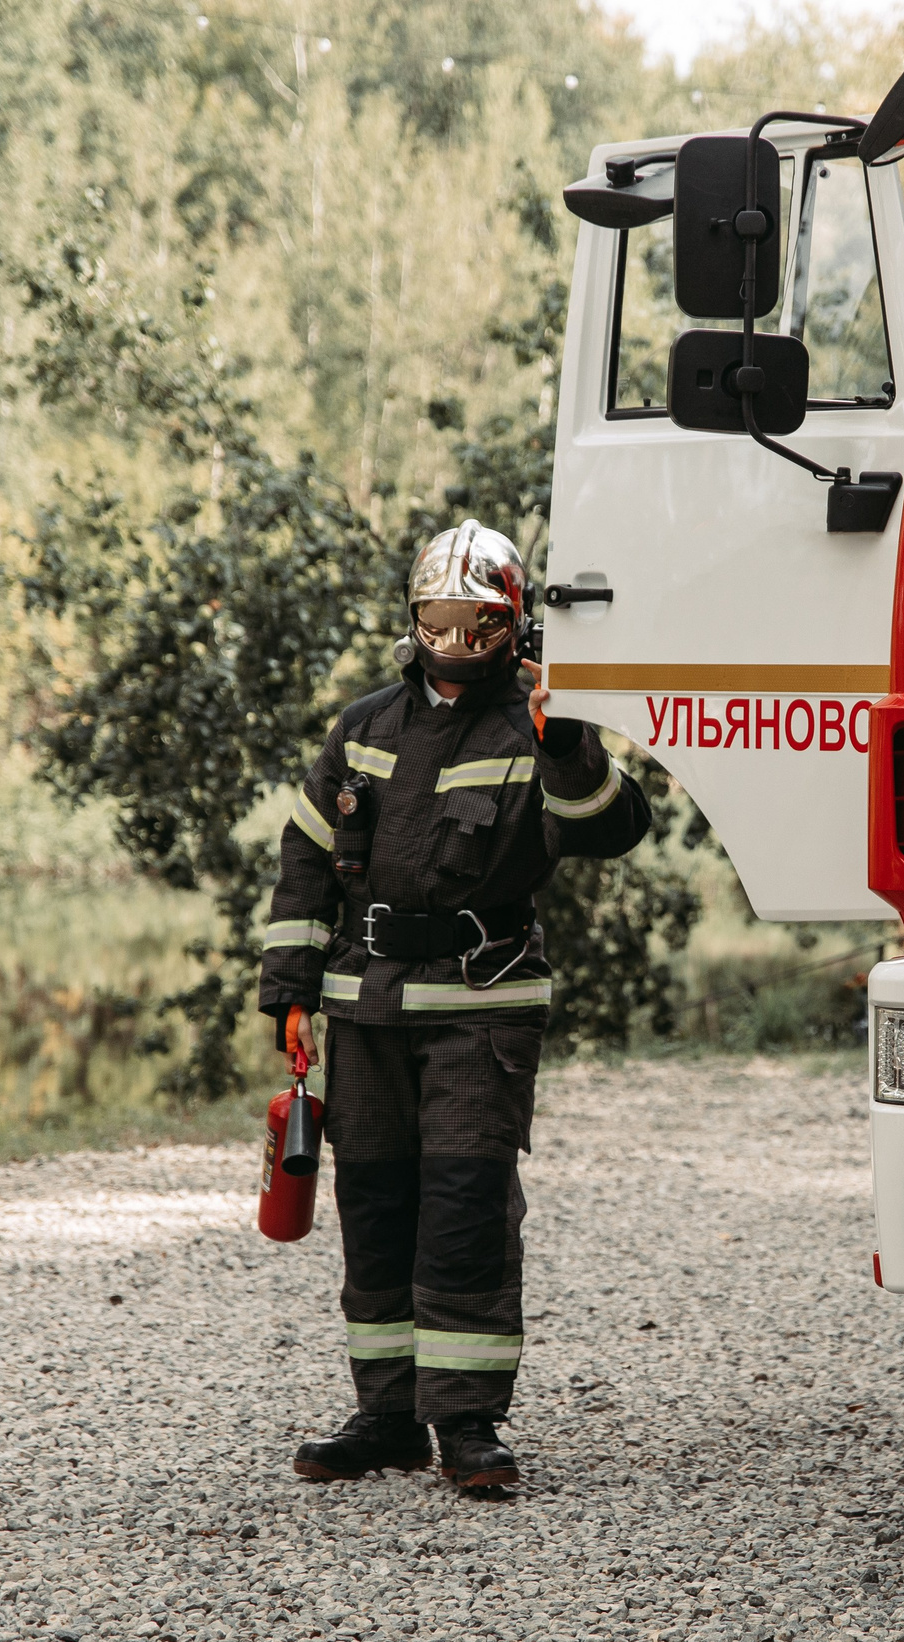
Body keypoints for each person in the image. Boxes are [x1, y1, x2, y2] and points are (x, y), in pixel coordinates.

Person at [258, 519, 651, 1489]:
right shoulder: (362, 729)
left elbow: (610, 831)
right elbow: (306, 861)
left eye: (477, 627)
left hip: (484, 1007)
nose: (455, 644)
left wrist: (569, 745)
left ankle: (467, 1425)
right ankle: (386, 1415)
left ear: (512, 628)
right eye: (439, 622)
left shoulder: (541, 724)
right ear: (414, 619)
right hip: (366, 1008)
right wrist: (288, 994)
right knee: (376, 1204)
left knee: (466, 1207)